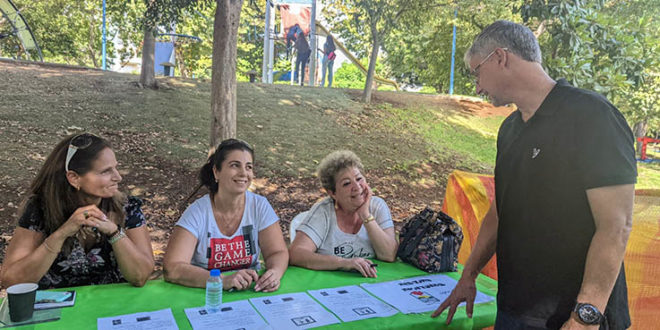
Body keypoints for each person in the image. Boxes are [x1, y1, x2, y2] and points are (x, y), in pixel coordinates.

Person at [431, 20, 636, 330]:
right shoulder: (509, 130)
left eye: (477, 72)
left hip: (575, 316)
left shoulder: (592, 116)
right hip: (515, 311)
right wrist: (468, 276)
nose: (477, 87)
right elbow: (500, 212)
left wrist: (585, 315)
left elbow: (616, 226)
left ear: (501, 58)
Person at [1, 133, 154, 289]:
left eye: (115, 167)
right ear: (74, 178)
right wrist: (61, 234)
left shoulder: (127, 208)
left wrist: (115, 233)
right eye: (106, 171)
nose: (118, 177)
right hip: (56, 308)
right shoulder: (40, 210)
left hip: (112, 306)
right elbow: (11, 281)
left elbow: (141, 277)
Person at [163, 139, 288, 292]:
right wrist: (220, 280)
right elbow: (172, 268)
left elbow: (278, 252)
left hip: (252, 292)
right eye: (235, 165)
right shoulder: (198, 212)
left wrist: (275, 272)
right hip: (206, 295)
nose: (243, 173)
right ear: (217, 172)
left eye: (248, 167)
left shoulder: (260, 206)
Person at [289, 150, 398, 278]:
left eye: (359, 178)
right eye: (347, 183)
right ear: (332, 193)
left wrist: (365, 215)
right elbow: (296, 254)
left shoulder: (377, 206)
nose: (357, 187)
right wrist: (344, 263)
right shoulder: (323, 212)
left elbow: (389, 255)